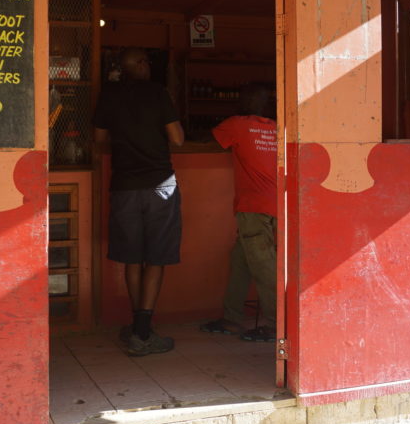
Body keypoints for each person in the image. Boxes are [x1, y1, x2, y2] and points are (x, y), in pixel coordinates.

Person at [94, 48, 185, 357]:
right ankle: (143, 333)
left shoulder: (109, 95)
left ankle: (137, 330)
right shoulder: (158, 93)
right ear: (142, 66)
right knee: (156, 259)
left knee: (133, 258)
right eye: (146, 61)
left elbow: (99, 136)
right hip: (160, 187)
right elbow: (178, 139)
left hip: (124, 187)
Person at [201, 84, 277, 342]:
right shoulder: (278, 128)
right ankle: (232, 318)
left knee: (264, 266)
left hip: (253, 207)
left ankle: (277, 325)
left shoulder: (236, 124)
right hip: (277, 205)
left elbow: (207, 141)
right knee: (240, 261)